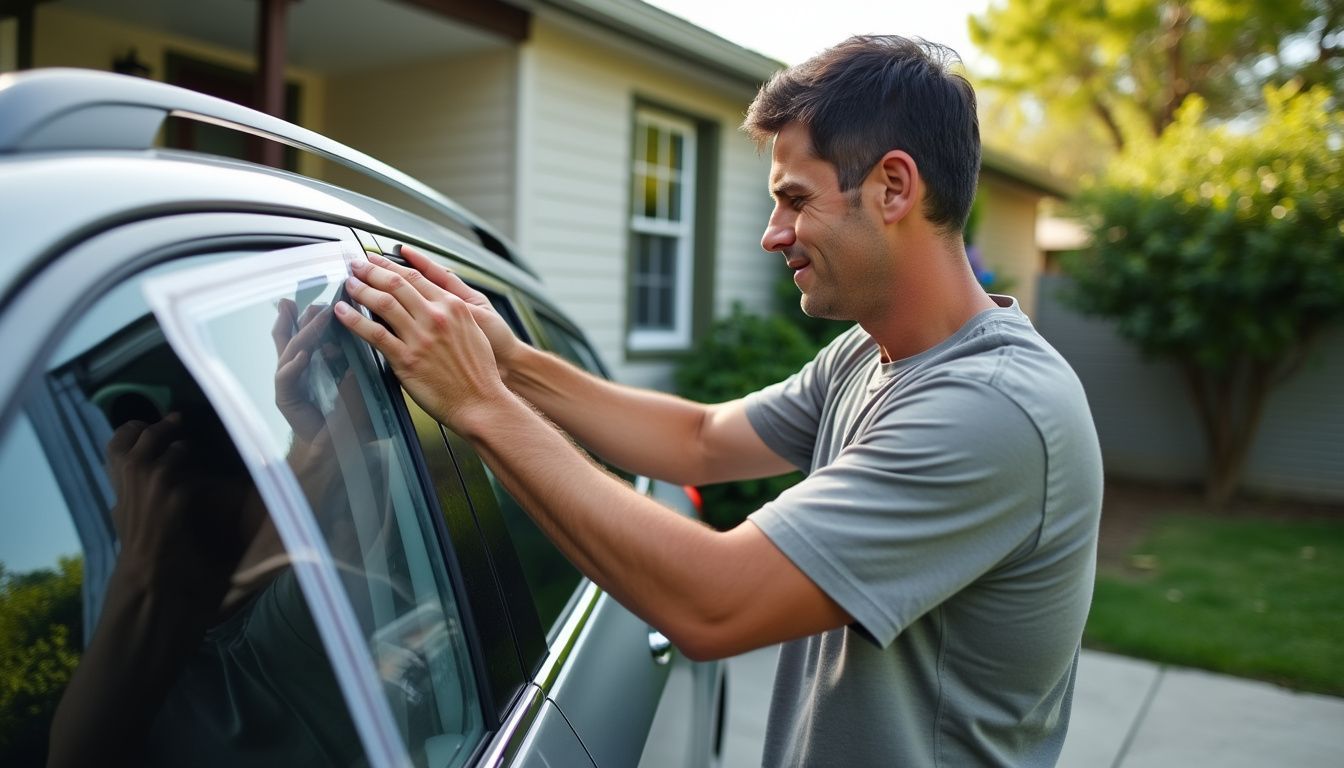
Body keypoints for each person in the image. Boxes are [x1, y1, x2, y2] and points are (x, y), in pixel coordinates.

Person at [336, 35, 1103, 767]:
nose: (776, 234)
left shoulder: (991, 410)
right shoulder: (872, 354)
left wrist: (480, 407)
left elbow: (714, 603)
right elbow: (702, 438)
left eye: (795, 199)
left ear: (894, 187)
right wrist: (510, 364)